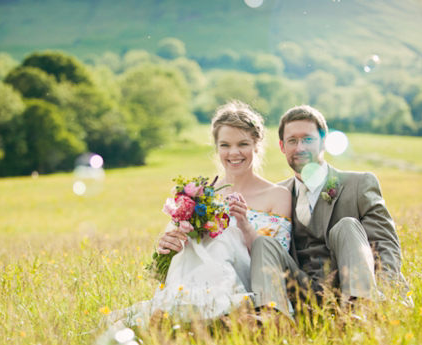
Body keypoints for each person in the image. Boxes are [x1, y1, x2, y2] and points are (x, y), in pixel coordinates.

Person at [107, 101, 292, 328]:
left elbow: (274, 261)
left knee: (224, 235)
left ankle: (213, 310)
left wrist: (244, 225)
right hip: (200, 279)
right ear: (216, 148)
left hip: (250, 279)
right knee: (193, 238)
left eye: (243, 144)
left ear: (256, 145)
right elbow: (180, 259)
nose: (233, 153)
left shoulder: (277, 195)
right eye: (225, 145)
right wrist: (169, 243)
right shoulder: (203, 196)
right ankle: (185, 311)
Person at [249, 105, 411, 318]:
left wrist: (387, 293)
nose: (299, 148)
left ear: (324, 141)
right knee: (263, 243)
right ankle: (273, 318)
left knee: (347, 224)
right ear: (282, 146)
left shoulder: (359, 183)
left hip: (348, 284)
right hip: (300, 290)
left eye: (308, 139)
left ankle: (361, 309)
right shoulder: (276, 194)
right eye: (292, 141)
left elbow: (384, 244)